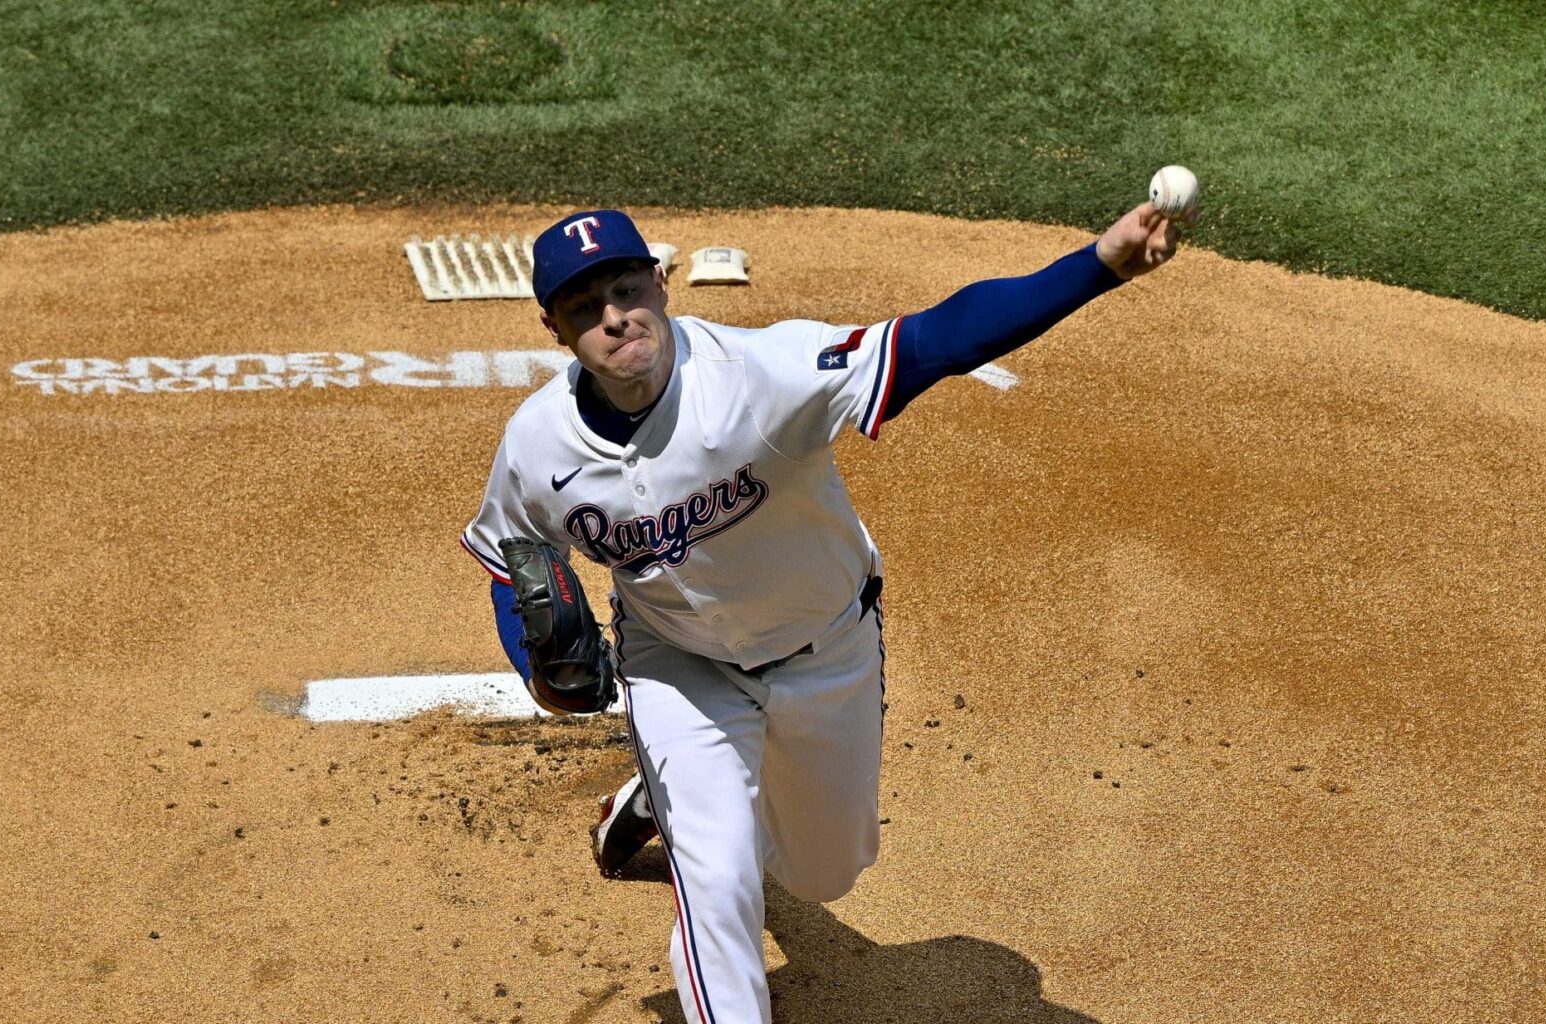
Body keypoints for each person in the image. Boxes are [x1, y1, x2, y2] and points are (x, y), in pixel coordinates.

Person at [461, 198, 1186, 1024]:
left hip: (827, 649)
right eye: (585, 309)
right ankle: (690, 803)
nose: (616, 318)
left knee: (824, 872)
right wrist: (538, 672)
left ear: (661, 283)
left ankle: (651, 799)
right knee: (719, 884)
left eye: (627, 288)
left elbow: (940, 338)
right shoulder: (536, 444)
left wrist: (1098, 264)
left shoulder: (764, 374)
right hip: (677, 665)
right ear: (554, 328)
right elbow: (505, 558)